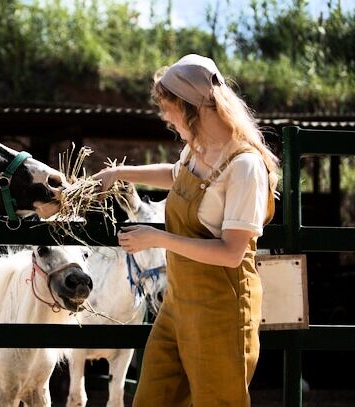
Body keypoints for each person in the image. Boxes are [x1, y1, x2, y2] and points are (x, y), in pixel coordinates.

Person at [92, 54, 279, 406]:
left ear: (193, 108)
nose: (166, 117)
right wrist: (120, 173)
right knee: (150, 399)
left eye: (169, 108)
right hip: (178, 306)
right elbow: (175, 176)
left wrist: (158, 238)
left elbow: (231, 252)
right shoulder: (198, 151)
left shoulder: (245, 167)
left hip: (221, 315)